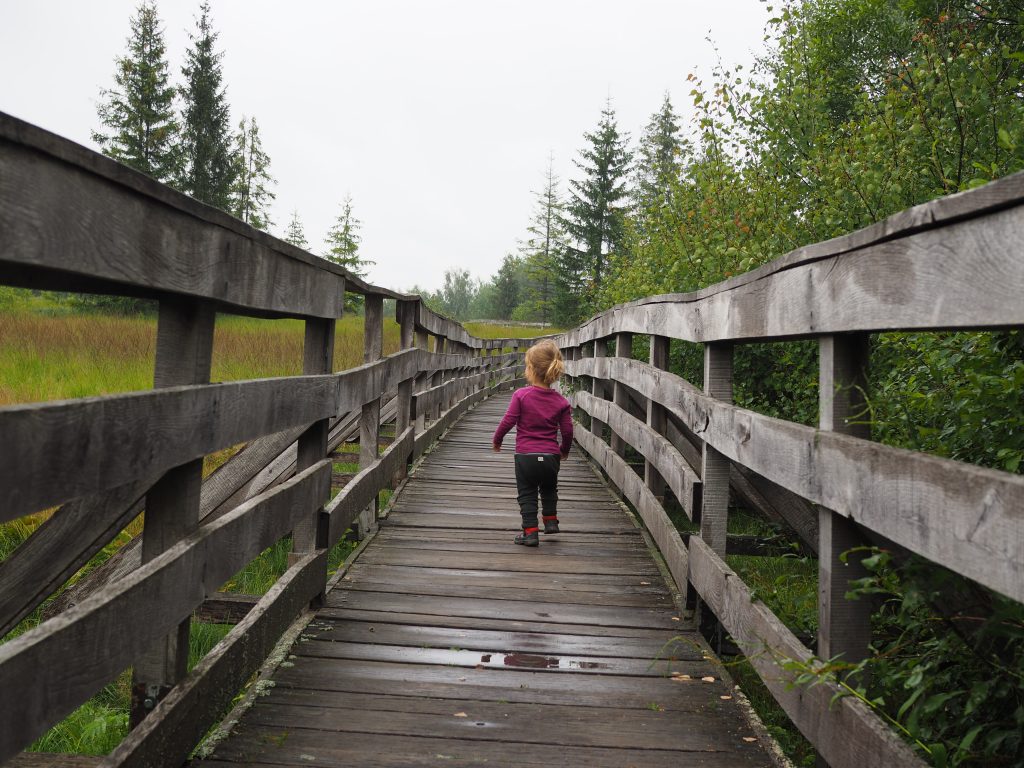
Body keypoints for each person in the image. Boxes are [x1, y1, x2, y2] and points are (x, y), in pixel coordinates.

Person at [492, 339, 573, 547]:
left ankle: (530, 533)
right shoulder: (561, 402)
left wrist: (497, 439)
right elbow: (567, 431)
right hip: (550, 456)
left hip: (525, 456)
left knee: (527, 493)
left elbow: (508, 421)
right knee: (549, 487)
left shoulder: (521, 395)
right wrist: (563, 450)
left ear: (531, 369)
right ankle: (550, 520)